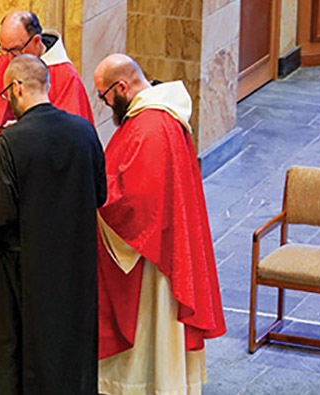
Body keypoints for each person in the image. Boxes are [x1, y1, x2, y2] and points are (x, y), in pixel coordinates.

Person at [0, 10, 95, 340]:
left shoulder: (64, 77)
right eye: (2, 49)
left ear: (35, 42)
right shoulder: (4, 63)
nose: (6, 59)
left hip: (32, 194)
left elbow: (66, 139)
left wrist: (25, 134)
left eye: (14, 50)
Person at [92, 54, 226, 395]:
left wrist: (95, 194)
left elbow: (137, 204)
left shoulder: (150, 127)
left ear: (122, 87)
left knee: (154, 328)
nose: (105, 103)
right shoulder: (155, 117)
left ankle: (147, 385)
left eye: (104, 95)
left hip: (153, 258)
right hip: (163, 243)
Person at [0, 54, 106, 395]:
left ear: (16, 88)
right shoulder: (84, 131)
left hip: (20, 271)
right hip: (74, 269)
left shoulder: (10, 142)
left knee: (13, 354)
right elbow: (100, 193)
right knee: (69, 353)